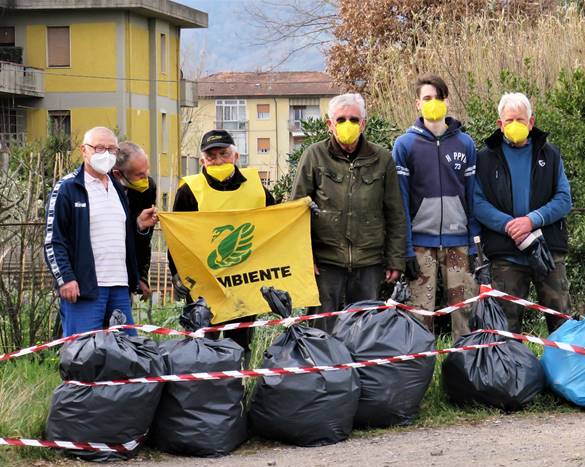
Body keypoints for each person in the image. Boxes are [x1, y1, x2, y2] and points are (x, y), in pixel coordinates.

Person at [291, 92, 406, 332]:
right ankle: (322, 370)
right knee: (321, 331)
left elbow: (395, 212)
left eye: (354, 119)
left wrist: (395, 258)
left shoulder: (382, 159)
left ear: (363, 123)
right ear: (329, 124)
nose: (348, 125)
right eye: (341, 119)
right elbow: (296, 212)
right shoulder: (314, 155)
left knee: (365, 332)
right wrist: (304, 258)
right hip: (325, 263)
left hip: (369, 263)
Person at [169, 129, 275, 353]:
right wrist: (176, 273)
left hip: (244, 281)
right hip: (204, 282)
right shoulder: (189, 189)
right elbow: (176, 236)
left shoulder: (256, 187)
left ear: (236, 156)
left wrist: (303, 211)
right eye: (211, 157)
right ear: (202, 161)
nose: (218, 161)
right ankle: (204, 384)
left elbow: (278, 222)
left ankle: (239, 382)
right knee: (204, 342)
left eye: (224, 154)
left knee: (241, 343)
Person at [474, 92, 572, 333]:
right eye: (509, 121)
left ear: (531, 122)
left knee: (562, 322)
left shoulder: (550, 154)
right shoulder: (484, 158)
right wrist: (509, 225)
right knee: (504, 327)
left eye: (520, 119)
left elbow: (564, 199)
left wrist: (532, 220)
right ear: (500, 124)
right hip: (505, 254)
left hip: (547, 250)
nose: (515, 125)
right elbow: (477, 202)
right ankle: (508, 371)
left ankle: (565, 369)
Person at [44, 126, 156, 336]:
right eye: (99, 148)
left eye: (111, 149)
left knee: (127, 356)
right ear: (84, 150)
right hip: (85, 288)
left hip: (119, 288)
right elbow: (54, 240)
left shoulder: (118, 189)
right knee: (84, 357)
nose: (105, 154)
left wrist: (138, 225)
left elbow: (119, 235)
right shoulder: (67, 188)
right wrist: (65, 278)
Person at [392, 75, 479, 341]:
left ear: (446, 101)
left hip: (459, 244)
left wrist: (475, 245)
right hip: (420, 246)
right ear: (417, 104)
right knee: (419, 317)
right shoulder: (404, 145)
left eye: (437, 98)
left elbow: (473, 197)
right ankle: (421, 379)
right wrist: (406, 249)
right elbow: (401, 204)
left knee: (465, 314)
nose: (433, 103)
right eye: (427, 98)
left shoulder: (465, 143)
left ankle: (465, 376)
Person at [112, 141, 158, 301]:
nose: (146, 178)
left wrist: (141, 276)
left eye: (147, 171)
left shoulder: (148, 188)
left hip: (128, 267)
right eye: (140, 175)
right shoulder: (102, 188)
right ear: (118, 174)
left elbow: (145, 240)